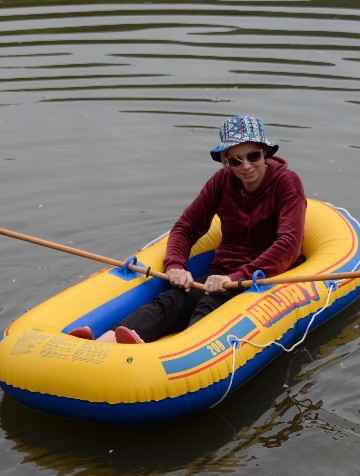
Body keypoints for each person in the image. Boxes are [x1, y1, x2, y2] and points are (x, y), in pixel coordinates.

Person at [70, 115, 306, 344]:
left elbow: (289, 244)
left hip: (260, 280)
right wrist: (175, 265)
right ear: (226, 161)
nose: (246, 166)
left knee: (208, 305)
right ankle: (104, 342)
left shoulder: (287, 183)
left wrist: (236, 277)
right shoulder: (221, 181)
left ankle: (162, 357)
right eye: (235, 160)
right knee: (172, 299)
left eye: (253, 156)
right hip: (221, 273)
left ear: (265, 152)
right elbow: (186, 227)